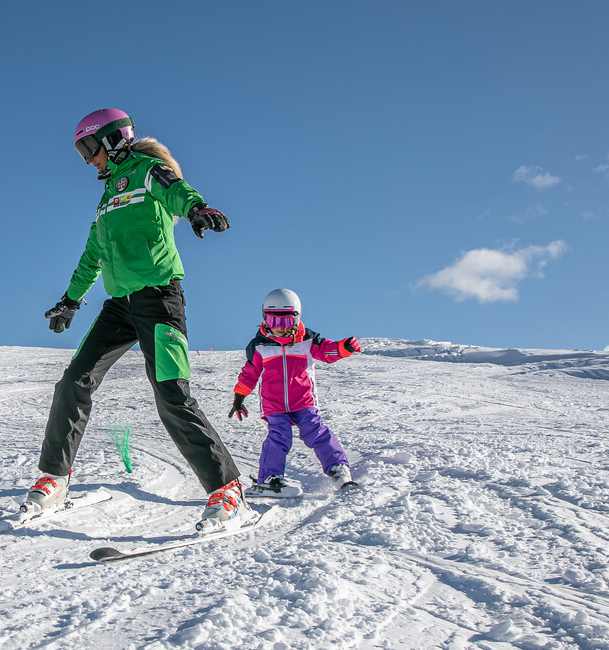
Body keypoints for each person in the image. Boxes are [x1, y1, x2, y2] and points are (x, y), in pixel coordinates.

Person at [26, 108, 250, 534]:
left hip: (159, 299)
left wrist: (199, 209)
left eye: (89, 149)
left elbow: (178, 190)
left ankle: (228, 490)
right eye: (82, 153)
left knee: (171, 394)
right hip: (119, 307)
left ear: (112, 141)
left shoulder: (149, 172)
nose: (87, 160)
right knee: (74, 381)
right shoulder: (107, 196)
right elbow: (92, 256)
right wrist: (70, 301)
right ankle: (55, 480)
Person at [229, 289, 361, 493]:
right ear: (264, 318)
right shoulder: (259, 346)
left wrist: (344, 348)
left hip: (303, 400)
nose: (279, 328)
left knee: (316, 431)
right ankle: (269, 479)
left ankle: (338, 468)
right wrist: (239, 397)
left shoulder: (307, 340)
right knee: (279, 436)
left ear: (297, 318)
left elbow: (327, 351)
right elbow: (249, 373)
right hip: (274, 405)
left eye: (286, 322)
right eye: (274, 321)